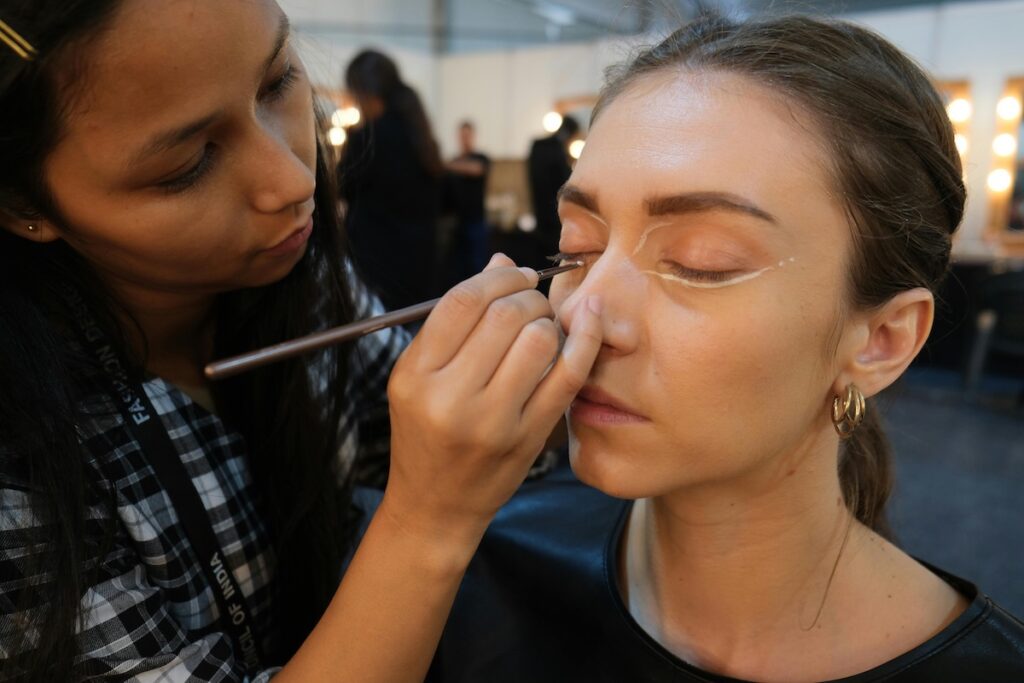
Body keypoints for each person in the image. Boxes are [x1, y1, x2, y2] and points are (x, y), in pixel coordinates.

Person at [0, 2, 604, 681]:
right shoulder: (22, 456)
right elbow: (427, 482)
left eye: (278, 83)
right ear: (22, 202)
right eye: (187, 163)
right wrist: (427, 522)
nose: (295, 182)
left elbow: (418, 429)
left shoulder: (306, 282)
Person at [430, 14, 1024, 682]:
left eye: (700, 261)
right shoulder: (483, 570)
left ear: (881, 341)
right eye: (577, 249)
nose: (586, 313)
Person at [338, 49, 444, 311]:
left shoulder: (368, 137)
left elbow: (342, 186)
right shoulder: (419, 133)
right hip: (420, 264)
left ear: (364, 90)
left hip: (379, 268)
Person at [443, 120, 491, 287]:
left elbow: (476, 169)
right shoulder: (454, 161)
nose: (465, 139)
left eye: (467, 135)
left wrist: (447, 165)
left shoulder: (481, 158)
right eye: (462, 135)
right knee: (458, 269)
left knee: (477, 266)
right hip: (458, 223)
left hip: (476, 221)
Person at [527, 114, 580, 264]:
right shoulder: (557, 151)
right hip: (554, 219)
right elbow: (566, 185)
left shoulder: (537, 145)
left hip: (538, 213)